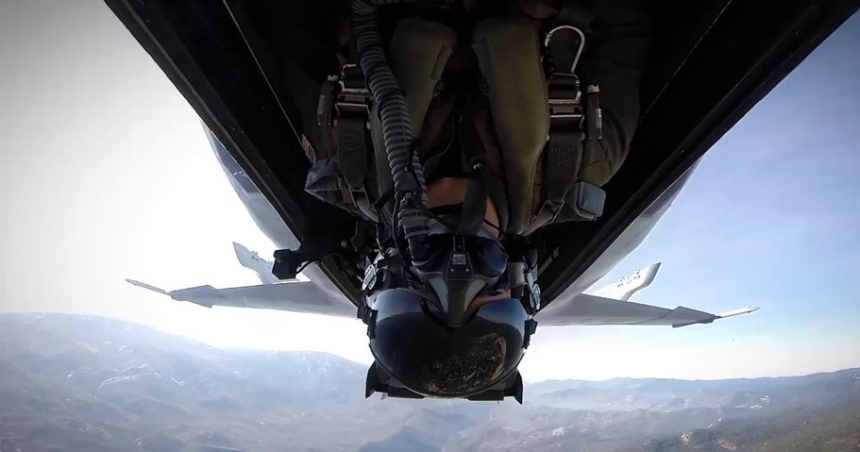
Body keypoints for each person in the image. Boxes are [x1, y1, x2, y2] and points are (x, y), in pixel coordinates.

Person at [303, 0, 651, 400]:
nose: (458, 274)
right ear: (522, 290)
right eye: (496, 308)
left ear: (380, 278)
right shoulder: (585, 159)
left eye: (414, 299)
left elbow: (289, 24)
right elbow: (625, 20)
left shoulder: (344, 155)